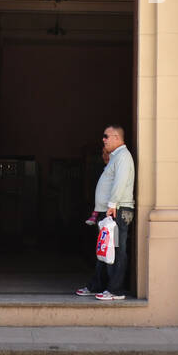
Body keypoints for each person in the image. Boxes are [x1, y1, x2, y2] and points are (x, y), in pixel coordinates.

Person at [77, 124, 135, 301]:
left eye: (106, 136)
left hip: (116, 211)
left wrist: (112, 205)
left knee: (115, 250)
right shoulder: (116, 157)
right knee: (105, 250)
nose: (103, 139)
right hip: (110, 211)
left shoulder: (123, 157)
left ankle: (115, 290)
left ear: (117, 137)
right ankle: (97, 285)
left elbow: (120, 182)